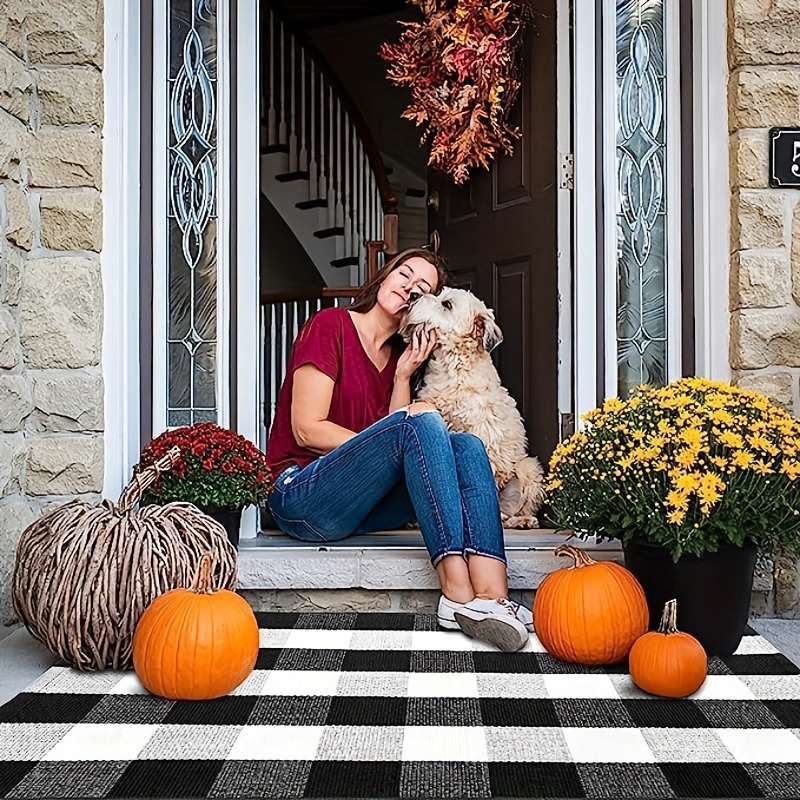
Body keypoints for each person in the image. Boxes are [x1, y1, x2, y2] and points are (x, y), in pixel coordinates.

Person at [265, 247, 532, 651]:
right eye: (404, 274)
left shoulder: (399, 361)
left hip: (357, 506)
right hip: (301, 493)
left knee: (467, 447)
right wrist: (395, 435)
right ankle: (458, 594)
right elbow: (306, 430)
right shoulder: (331, 325)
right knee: (421, 422)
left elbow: (400, 447)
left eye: (423, 287)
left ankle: (494, 598)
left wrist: (404, 374)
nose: (410, 288)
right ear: (385, 276)